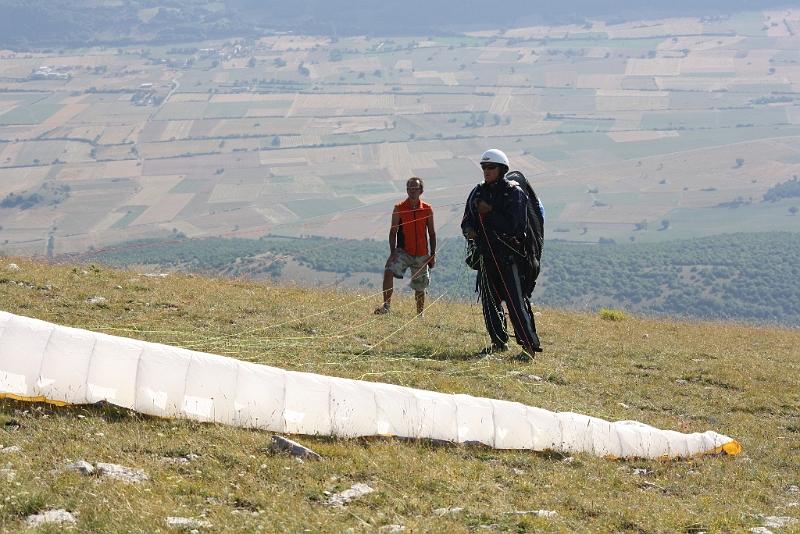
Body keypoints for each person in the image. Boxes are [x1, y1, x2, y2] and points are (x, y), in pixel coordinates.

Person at [461, 149, 543, 360]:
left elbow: (516, 226)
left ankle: (529, 348)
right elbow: (467, 218)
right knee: (489, 302)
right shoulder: (477, 192)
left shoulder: (514, 193)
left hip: (510, 259)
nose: (486, 171)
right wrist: (469, 230)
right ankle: (498, 343)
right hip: (485, 257)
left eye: (491, 167)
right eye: (484, 167)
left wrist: (490, 213)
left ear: (502, 169)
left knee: (516, 303)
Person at [374, 177, 436, 315]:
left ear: (421, 191)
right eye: (409, 189)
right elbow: (393, 232)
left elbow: (431, 233)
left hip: (421, 253)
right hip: (403, 252)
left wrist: (432, 254)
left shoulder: (427, 209)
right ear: (407, 190)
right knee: (389, 271)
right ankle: (386, 307)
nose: (412, 192)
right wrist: (392, 253)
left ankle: (419, 315)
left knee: (420, 287)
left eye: (415, 189)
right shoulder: (399, 208)